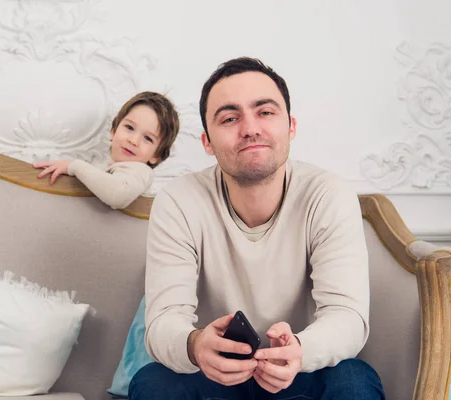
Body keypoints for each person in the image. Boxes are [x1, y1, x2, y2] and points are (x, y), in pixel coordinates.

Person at [129, 57, 385, 399]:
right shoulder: (177, 201)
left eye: (265, 112)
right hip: (214, 379)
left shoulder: (328, 195)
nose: (250, 128)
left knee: (355, 379)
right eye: (230, 118)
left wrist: (299, 349)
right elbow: (163, 321)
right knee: (151, 382)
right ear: (207, 142)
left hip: (299, 375)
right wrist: (195, 345)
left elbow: (347, 318)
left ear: (290, 126)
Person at [34, 91, 180, 209]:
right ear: (113, 130)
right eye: (129, 128)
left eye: (148, 138)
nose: (133, 141)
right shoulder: (104, 168)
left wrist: (74, 166)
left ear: (156, 155)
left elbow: (117, 195)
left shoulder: (141, 172)